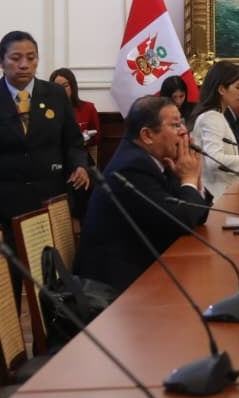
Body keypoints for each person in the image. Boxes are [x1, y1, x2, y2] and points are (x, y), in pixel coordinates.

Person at [75, 96, 211, 293]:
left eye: (181, 122)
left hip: (144, 269)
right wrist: (189, 177)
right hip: (115, 292)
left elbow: (198, 215)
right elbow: (180, 221)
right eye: (175, 125)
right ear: (147, 135)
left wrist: (193, 176)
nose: (184, 131)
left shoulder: (156, 159)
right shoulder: (132, 167)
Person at [0, 32, 90, 299]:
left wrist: (79, 165)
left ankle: (54, 339)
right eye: (16, 58)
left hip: (50, 201)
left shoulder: (54, 94)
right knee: (11, 282)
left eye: (31, 58)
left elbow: (73, 142)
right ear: (2, 62)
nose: (24, 65)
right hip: (8, 206)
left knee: (53, 281)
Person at [189, 61, 239, 199]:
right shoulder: (211, 118)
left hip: (225, 192)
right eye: (237, 87)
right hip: (216, 197)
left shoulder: (216, 115)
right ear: (221, 90)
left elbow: (226, 166)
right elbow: (215, 161)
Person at [50, 68, 100, 150]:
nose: (61, 90)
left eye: (65, 86)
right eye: (57, 87)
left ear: (73, 87)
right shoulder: (46, 110)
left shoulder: (88, 108)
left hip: (80, 153)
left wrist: (86, 138)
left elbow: (97, 137)